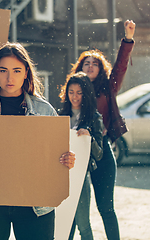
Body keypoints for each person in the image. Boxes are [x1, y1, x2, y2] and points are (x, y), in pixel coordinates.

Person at [0, 42, 76, 240]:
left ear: (26, 72)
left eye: (16, 70)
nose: (10, 78)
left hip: (34, 203)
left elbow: (55, 155)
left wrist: (66, 160)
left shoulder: (44, 110)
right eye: (3, 70)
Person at [59, 20, 136, 240]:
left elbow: (121, 65)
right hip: (75, 156)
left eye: (95, 63)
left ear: (101, 69)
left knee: (106, 207)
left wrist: (128, 39)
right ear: (79, 69)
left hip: (101, 152)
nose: (90, 66)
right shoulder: (72, 92)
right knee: (73, 207)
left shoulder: (108, 88)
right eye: (86, 63)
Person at [58, 72, 104, 240]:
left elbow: (99, 154)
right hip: (61, 175)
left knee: (83, 224)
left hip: (81, 176)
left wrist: (88, 137)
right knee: (64, 224)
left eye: (79, 92)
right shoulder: (60, 115)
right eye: (71, 92)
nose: (74, 97)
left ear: (86, 93)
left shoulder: (94, 117)